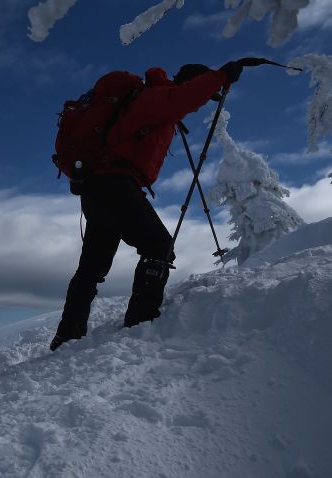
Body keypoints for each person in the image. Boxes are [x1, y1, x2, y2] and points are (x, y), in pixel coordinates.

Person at [50, 61, 244, 351]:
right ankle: (141, 322)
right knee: (158, 247)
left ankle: (68, 334)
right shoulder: (156, 96)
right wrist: (221, 76)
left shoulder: (148, 101)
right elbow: (183, 98)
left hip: (97, 188)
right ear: (189, 82)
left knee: (92, 266)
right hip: (116, 184)